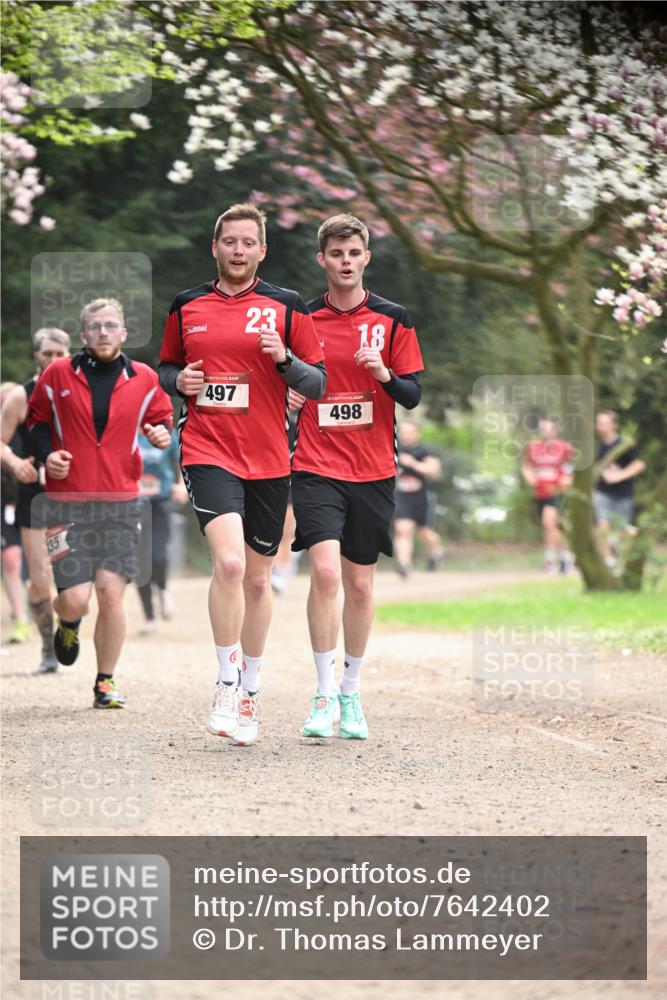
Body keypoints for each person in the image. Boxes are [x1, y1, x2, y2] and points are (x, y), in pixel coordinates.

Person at [158, 202, 326, 746]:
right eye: (228, 241)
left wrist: (284, 363)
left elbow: (318, 382)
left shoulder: (287, 305)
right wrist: (176, 380)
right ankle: (226, 680)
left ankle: (252, 689)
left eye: (247, 242)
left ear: (261, 249)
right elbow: (165, 367)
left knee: (258, 579)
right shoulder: (187, 306)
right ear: (216, 247)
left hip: (271, 457)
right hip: (208, 449)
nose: (237, 250)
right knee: (229, 565)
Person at [290, 213, 424, 741]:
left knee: (360, 584)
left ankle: (351, 692)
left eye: (354, 253)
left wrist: (383, 374)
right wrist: (291, 392)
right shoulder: (300, 316)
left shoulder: (393, 319)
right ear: (321, 259)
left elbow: (411, 395)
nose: (345, 262)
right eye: (336, 254)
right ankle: (322, 694)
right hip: (315, 464)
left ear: (366, 257)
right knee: (324, 574)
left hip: (373, 468)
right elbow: (279, 375)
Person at [27, 298, 173, 708]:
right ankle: (68, 622)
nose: (104, 332)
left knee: (111, 593)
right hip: (66, 501)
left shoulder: (143, 378)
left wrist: (161, 434)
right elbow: (37, 421)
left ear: (124, 333)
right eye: (96, 326)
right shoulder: (57, 374)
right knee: (75, 598)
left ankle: (105, 681)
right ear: (84, 335)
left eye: (111, 325)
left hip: (121, 501)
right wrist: (46, 455)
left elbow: (161, 420)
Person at [1, 329, 71, 670]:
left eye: (61, 354)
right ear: (36, 357)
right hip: (35, 495)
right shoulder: (20, 397)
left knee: (73, 577)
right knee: (41, 578)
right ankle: (48, 647)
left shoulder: (81, 391)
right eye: (48, 354)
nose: (55, 361)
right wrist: (15, 463)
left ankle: (70, 623)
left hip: (78, 492)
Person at [135, 427, 188, 634]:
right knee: (140, 563)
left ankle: (163, 589)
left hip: (160, 505)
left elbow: (182, 461)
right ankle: (149, 617)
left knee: (158, 556)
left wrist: (183, 485)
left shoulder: (167, 434)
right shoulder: (126, 430)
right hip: (134, 506)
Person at [393, 418, 445, 577]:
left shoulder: (423, 451)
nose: (406, 435)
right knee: (402, 529)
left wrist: (413, 463)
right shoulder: (395, 450)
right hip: (402, 496)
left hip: (422, 497)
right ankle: (404, 565)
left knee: (424, 532)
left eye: (409, 432)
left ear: (417, 434)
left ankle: (436, 550)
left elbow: (435, 470)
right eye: (403, 432)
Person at [521, 417, 574, 573]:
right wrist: (529, 475)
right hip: (541, 491)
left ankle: (551, 560)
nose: (545, 431)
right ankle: (565, 557)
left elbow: (571, 467)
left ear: (555, 430)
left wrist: (567, 479)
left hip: (558, 491)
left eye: (549, 428)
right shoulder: (533, 447)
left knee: (548, 523)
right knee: (552, 526)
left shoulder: (565, 447)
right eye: (542, 428)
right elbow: (526, 465)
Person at [593, 410, 645, 568]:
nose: (601, 426)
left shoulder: (625, 444)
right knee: (602, 525)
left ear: (615, 425)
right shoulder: (596, 447)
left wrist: (620, 475)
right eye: (599, 423)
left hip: (623, 493)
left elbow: (639, 465)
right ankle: (609, 561)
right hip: (602, 493)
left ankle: (620, 558)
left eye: (605, 423)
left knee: (623, 528)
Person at [1, 382, 30, 644]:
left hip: (34, 500)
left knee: (41, 563)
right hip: (4, 504)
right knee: (10, 559)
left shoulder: (33, 428)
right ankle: (21, 619)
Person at [270, 412, 303, 595]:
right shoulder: (272, 416)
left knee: (287, 529)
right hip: (271, 477)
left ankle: (280, 570)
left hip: (294, 479)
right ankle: (272, 567)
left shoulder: (305, 420)